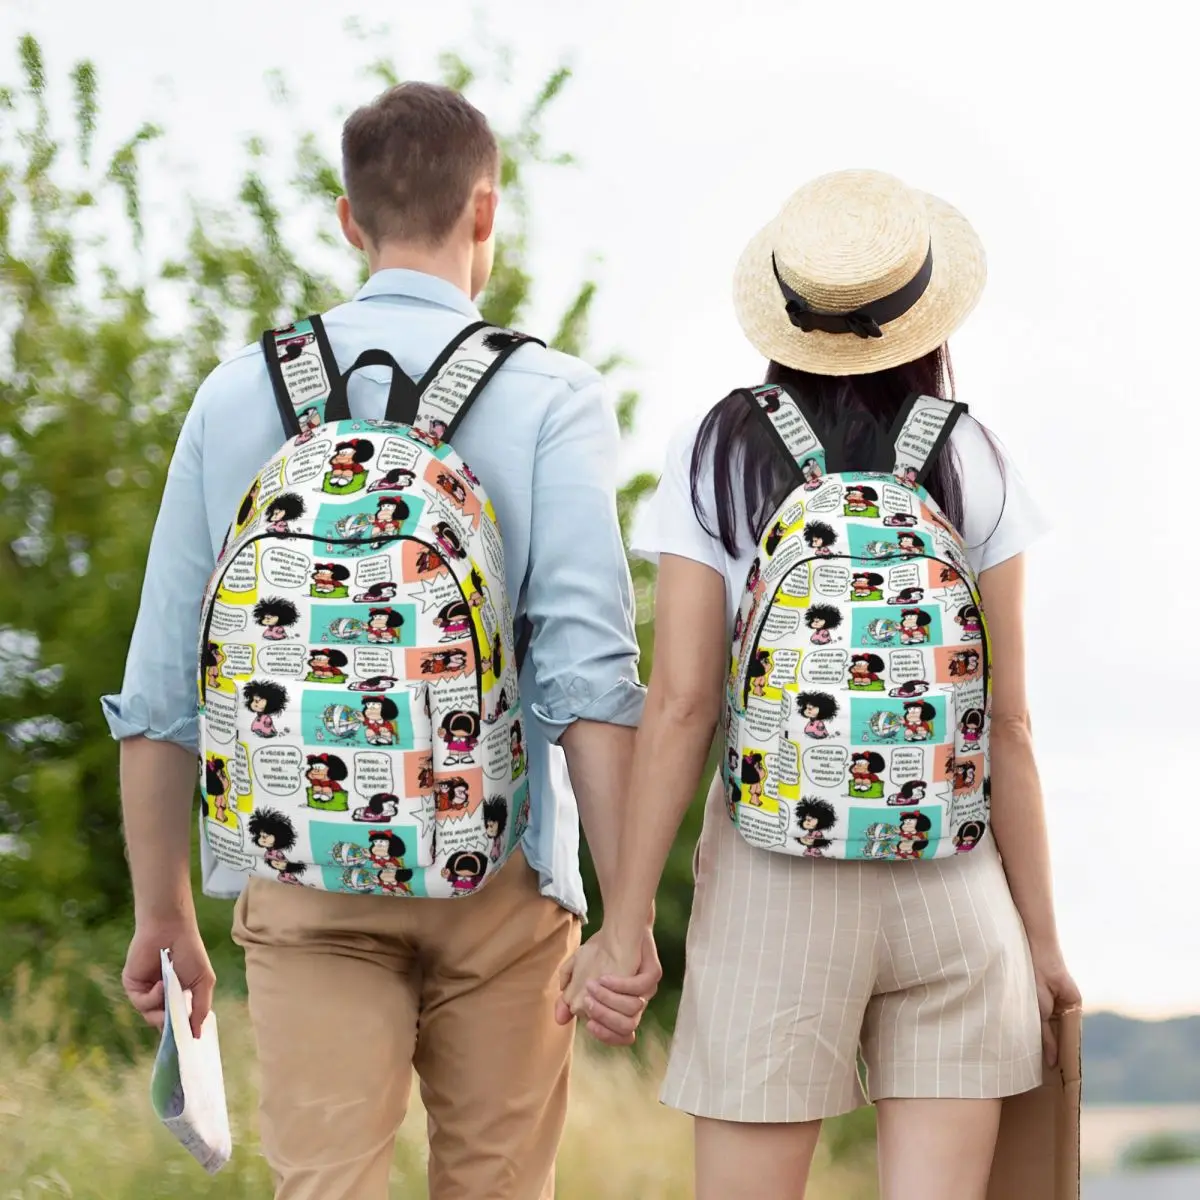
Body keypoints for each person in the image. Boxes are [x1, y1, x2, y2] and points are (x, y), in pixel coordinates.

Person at [103, 82, 660, 1200]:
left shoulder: (234, 395)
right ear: (486, 213)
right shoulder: (551, 394)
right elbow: (590, 678)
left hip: (300, 868)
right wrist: (627, 915)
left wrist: (163, 912)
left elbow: (163, 684)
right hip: (500, 873)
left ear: (349, 220)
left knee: (326, 1186)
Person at [558, 169, 1080, 1200]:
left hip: (774, 882)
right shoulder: (975, 456)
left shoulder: (717, 449)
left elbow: (682, 705)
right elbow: (1010, 722)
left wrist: (624, 927)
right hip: (954, 880)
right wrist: (1044, 943)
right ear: (925, 314)